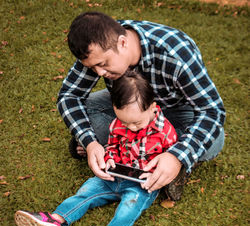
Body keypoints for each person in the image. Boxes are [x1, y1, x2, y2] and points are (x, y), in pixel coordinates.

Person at [15, 71, 177, 226]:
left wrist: (163, 172)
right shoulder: (118, 124)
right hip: (114, 175)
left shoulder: (165, 131)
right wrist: (109, 159)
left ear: (152, 108)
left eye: (136, 123)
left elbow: (172, 160)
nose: (131, 127)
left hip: (142, 184)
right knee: (87, 191)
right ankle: (55, 219)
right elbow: (113, 145)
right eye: (125, 122)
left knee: (130, 206)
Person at [59, 11, 225, 200]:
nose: (99, 72)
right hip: (128, 113)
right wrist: (89, 142)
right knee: (87, 111)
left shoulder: (176, 52)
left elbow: (212, 110)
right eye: (92, 68)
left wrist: (177, 156)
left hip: (177, 111)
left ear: (122, 43)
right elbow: (69, 96)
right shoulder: (97, 45)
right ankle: (115, 150)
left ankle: (166, 162)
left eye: (103, 64)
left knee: (215, 139)